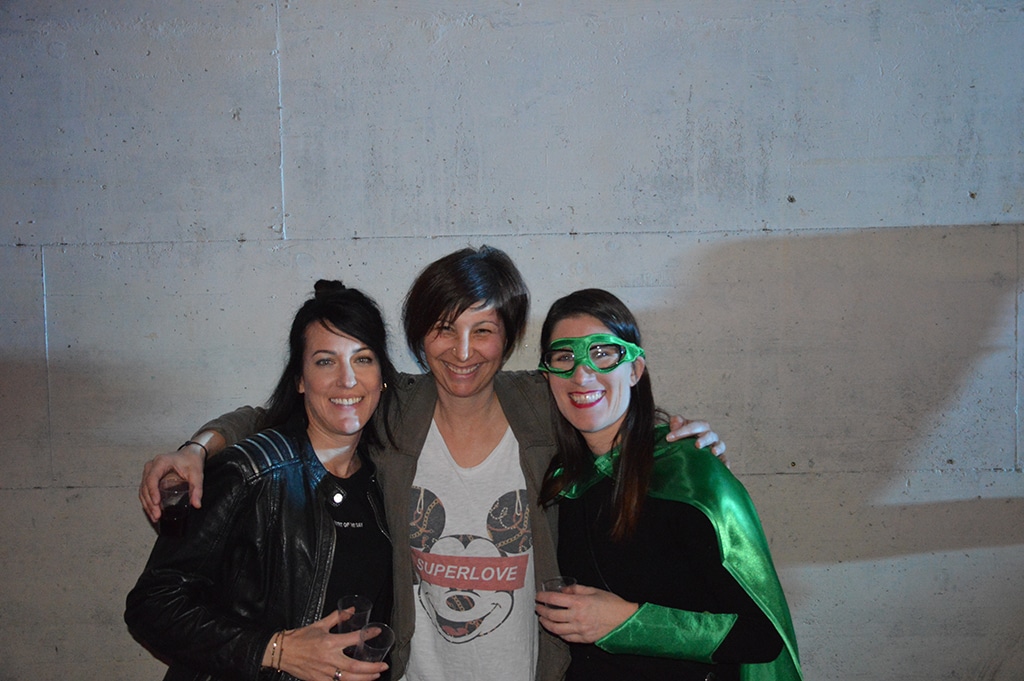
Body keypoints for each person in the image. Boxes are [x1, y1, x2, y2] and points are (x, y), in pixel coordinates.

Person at [136, 246, 726, 681]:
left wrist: (673, 434)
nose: (463, 352)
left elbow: (599, 399)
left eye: (483, 330)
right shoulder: (395, 408)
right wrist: (198, 447)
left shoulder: (539, 407)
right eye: (444, 329)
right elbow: (281, 412)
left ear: (508, 338)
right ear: (420, 338)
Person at [125, 281, 398, 681]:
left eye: (363, 359)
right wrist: (276, 650)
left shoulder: (380, 482)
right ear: (300, 379)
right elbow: (152, 604)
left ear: (383, 376)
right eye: (325, 361)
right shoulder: (250, 473)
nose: (347, 380)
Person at [533, 289, 802, 681]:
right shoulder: (562, 480)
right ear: (547, 376)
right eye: (564, 357)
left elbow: (761, 635)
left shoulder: (688, 474)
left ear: (635, 370)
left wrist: (628, 621)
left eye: (603, 353)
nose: (581, 373)